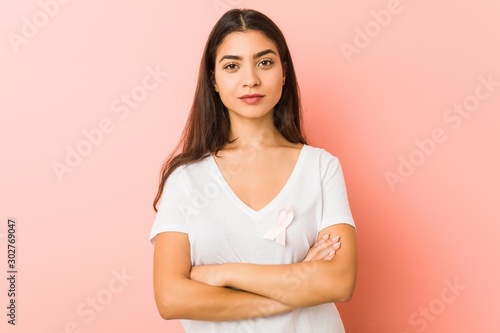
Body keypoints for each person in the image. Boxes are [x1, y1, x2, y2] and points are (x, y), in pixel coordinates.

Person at [150, 8, 357, 333]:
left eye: (264, 62)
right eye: (232, 65)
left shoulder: (320, 167)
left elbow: (339, 281)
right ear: (214, 80)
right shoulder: (187, 180)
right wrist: (298, 284)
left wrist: (224, 274)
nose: (251, 79)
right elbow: (171, 298)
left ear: (284, 72)